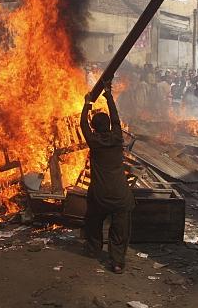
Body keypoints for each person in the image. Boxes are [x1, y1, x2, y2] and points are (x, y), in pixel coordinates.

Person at [80, 81, 135, 274]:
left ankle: (94, 249)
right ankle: (117, 262)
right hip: (121, 196)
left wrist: (87, 103)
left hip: (100, 196)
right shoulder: (117, 137)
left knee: (93, 220)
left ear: (94, 128)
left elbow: (82, 124)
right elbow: (116, 118)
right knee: (120, 230)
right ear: (109, 127)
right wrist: (108, 95)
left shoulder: (94, 141)